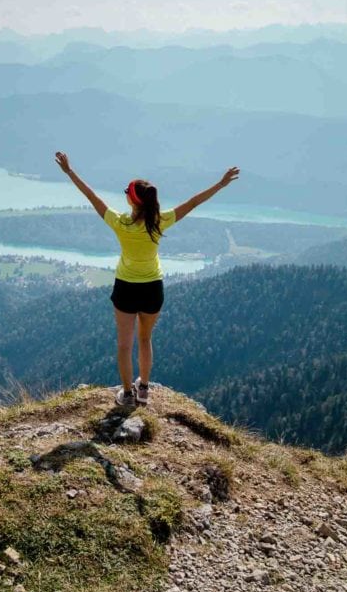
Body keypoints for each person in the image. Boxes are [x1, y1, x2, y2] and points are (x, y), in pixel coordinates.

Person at [54, 152, 240, 407]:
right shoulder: (159, 221)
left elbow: (91, 196)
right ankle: (143, 390)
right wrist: (220, 184)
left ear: (132, 200)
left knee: (123, 345)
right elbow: (193, 202)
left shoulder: (121, 223)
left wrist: (70, 172)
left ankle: (127, 395)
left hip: (125, 288)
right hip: (153, 288)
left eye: (126, 193)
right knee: (144, 339)